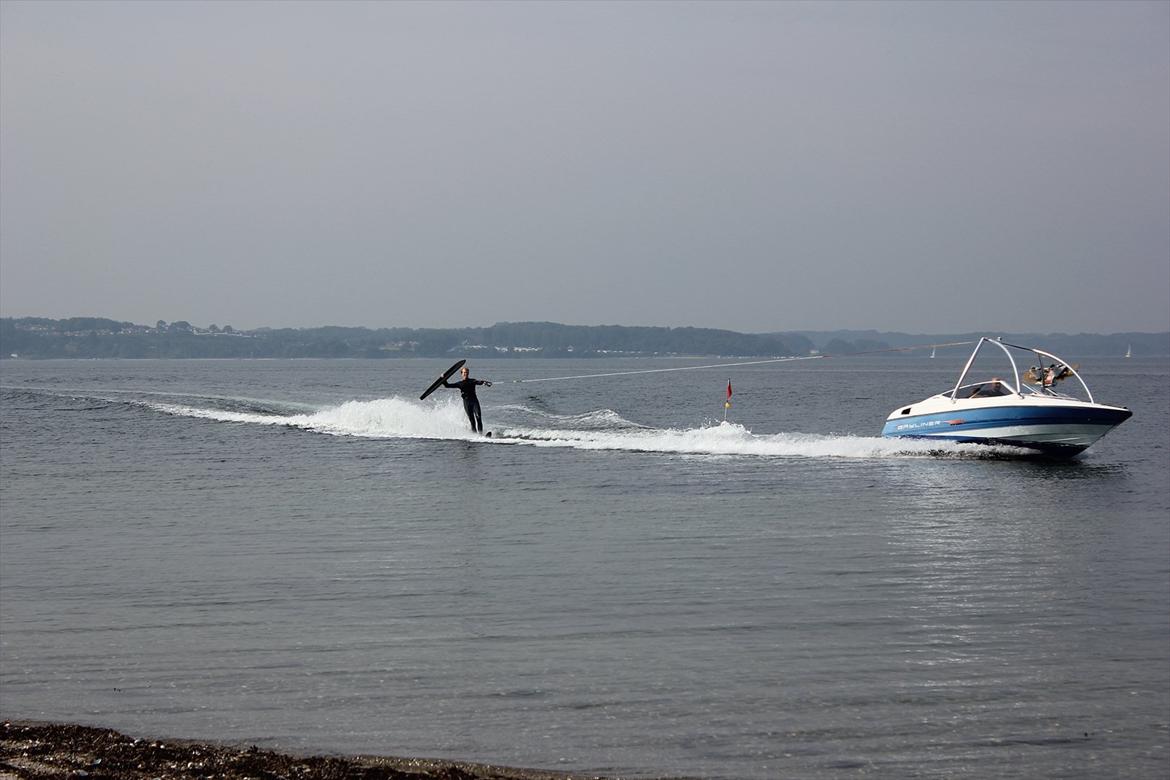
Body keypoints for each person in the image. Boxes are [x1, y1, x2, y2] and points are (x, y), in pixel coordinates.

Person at [443, 365, 492, 433]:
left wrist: (485, 383)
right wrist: (443, 380)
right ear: (461, 374)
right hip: (466, 402)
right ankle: (475, 435)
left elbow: (479, 382)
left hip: (474, 401)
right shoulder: (459, 384)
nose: (466, 374)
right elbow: (447, 385)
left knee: (478, 417)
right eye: (464, 372)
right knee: (472, 421)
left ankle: (480, 435)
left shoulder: (472, 381)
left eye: (467, 372)